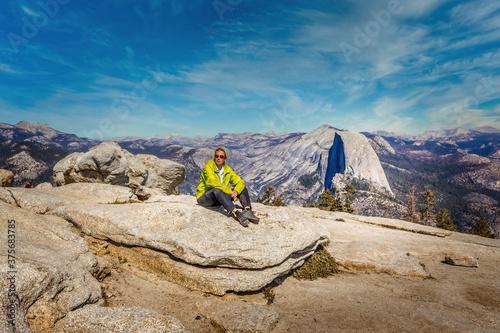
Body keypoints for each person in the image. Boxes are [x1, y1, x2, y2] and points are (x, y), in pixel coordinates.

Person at [196, 147, 259, 227]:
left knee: (241, 188)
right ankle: (237, 213)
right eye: (217, 156)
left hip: (219, 198)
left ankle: (247, 210)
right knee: (216, 190)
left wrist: (235, 191)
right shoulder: (208, 167)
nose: (218, 158)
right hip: (204, 198)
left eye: (221, 157)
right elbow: (212, 183)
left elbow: (240, 182)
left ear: (224, 159)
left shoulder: (227, 170)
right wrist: (230, 191)